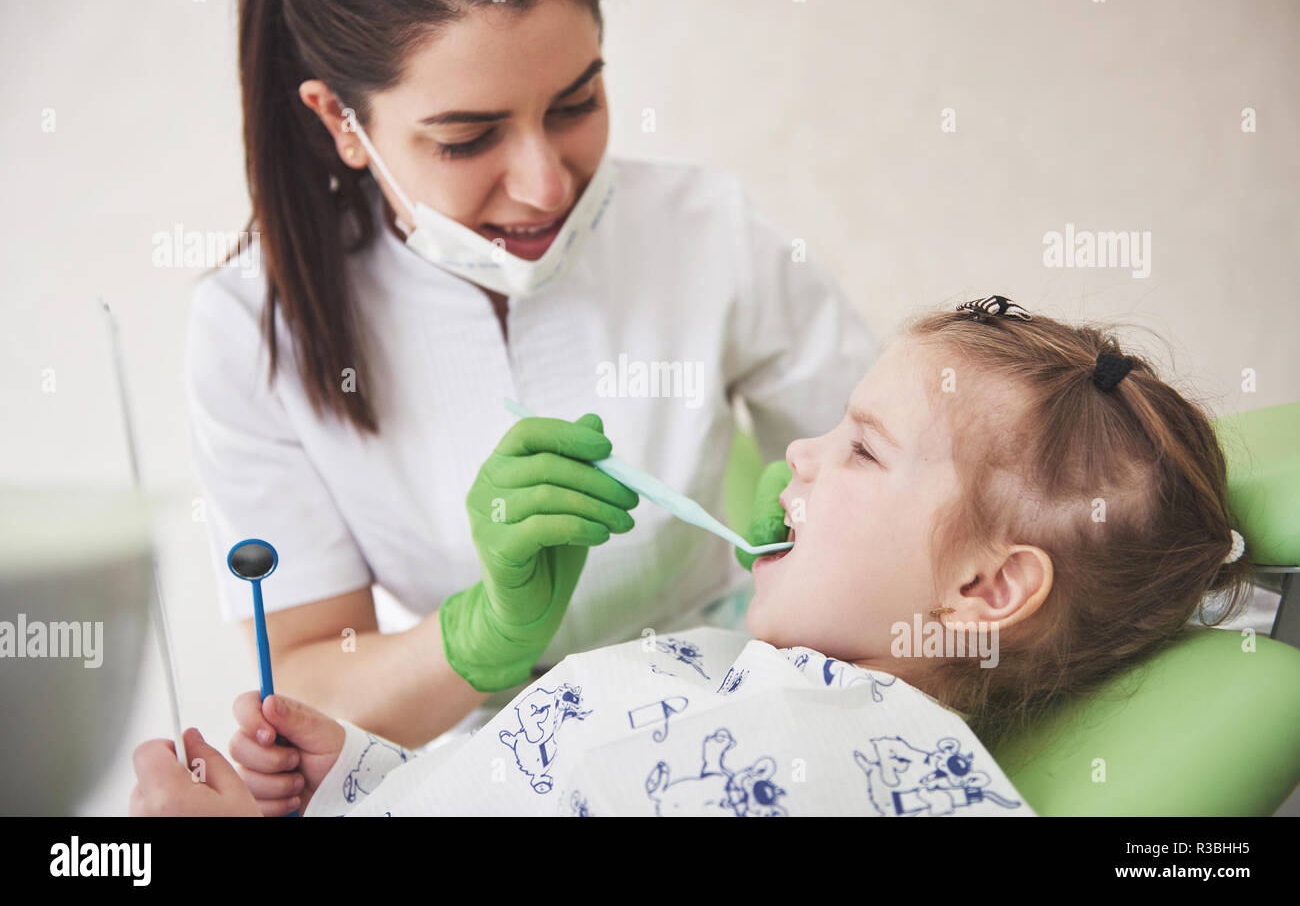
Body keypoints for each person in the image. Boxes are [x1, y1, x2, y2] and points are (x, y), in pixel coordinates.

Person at [133, 300, 1253, 815]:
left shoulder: (854, 758)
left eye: (860, 448)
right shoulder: (742, 683)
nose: (799, 457)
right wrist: (355, 778)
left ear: (983, 590)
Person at [188, 0, 877, 750]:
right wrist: (479, 636)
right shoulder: (252, 329)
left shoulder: (707, 229)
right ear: (342, 119)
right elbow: (306, 678)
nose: (546, 184)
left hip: (728, 703)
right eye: (468, 137)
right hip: (477, 757)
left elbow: (904, 473)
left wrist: (819, 531)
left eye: (575, 103)